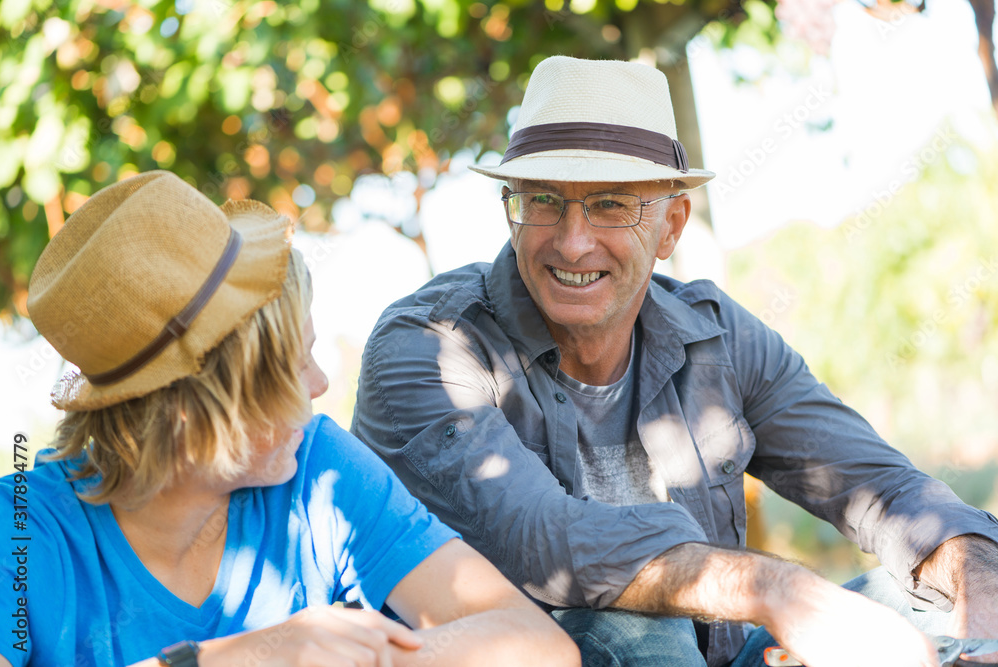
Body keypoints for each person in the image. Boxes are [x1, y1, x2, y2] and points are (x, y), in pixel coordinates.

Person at [351, 56, 998, 667]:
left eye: (610, 203)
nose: (573, 242)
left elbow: (888, 491)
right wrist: (776, 588)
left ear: (672, 224)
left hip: (715, 653)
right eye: (544, 199)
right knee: (640, 631)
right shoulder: (428, 346)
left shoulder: (718, 336)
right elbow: (543, 539)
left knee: (935, 589)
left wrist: (979, 598)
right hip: (543, 652)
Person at [0, 171, 580, 667]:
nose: (321, 383)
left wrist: (364, 655)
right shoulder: (20, 530)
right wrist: (250, 654)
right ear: (195, 406)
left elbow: (538, 645)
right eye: (295, 362)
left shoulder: (317, 471)